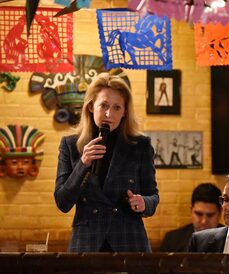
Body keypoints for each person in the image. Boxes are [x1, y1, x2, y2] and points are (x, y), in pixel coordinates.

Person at [54, 72, 159, 252]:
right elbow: (62, 202)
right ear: (91, 107)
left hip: (129, 243)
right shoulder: (71, 145)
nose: (109, 114)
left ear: (125, 111)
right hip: (87, 244)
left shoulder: (139, 145)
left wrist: (144, 203)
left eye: (117, 107)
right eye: (103, 105)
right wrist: (83, 164)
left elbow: (153, 196)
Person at [159, 183, 223, 252]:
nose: (204, 221)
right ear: (191, 211)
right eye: (199, 214)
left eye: (210, 215)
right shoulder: (172, 241)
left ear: (220, 213)